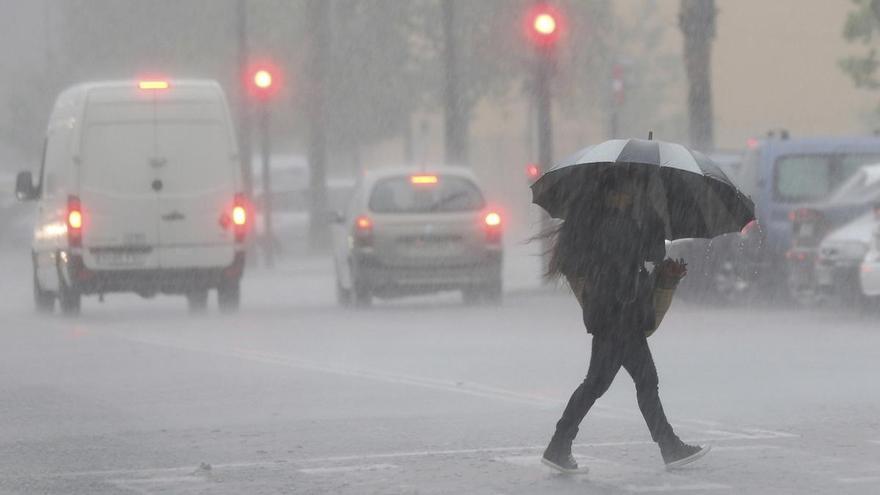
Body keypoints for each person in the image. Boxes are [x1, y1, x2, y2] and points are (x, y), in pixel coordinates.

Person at [541, 170, 710, 473]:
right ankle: (669, 446)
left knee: (600, 384)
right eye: (628, 190)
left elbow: (638, 263)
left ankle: (559, 444)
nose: (631, 194)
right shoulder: (617, 225)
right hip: (619, 317)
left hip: (615, 316)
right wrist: (649, 221)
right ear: (613, 193)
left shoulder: (609, 223)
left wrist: (649, 233)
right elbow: (646, 253)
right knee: (640, 382)